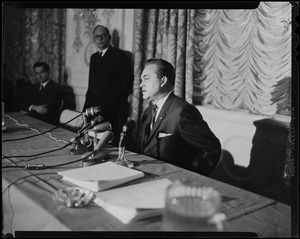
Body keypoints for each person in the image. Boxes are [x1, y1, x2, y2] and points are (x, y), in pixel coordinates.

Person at [139, 58, 221, 176]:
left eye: (146, 79)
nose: (141, 84)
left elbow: (211, 150)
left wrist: (189, 178)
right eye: (141, 80)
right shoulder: (148, 112)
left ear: (163, 81)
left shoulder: (182, 111)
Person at [83, 25, 133, 146]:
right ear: (93, 39)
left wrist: (113, 102)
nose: (100, 39)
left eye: (103, 35)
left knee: (110, 144)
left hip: (112, 109)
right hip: (93, 107)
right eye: (97, 36)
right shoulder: (94, 57)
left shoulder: (118, 55)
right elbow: (92, 84)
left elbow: (126, 82)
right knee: (91, 140)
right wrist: (85, 108)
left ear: (109, 38)